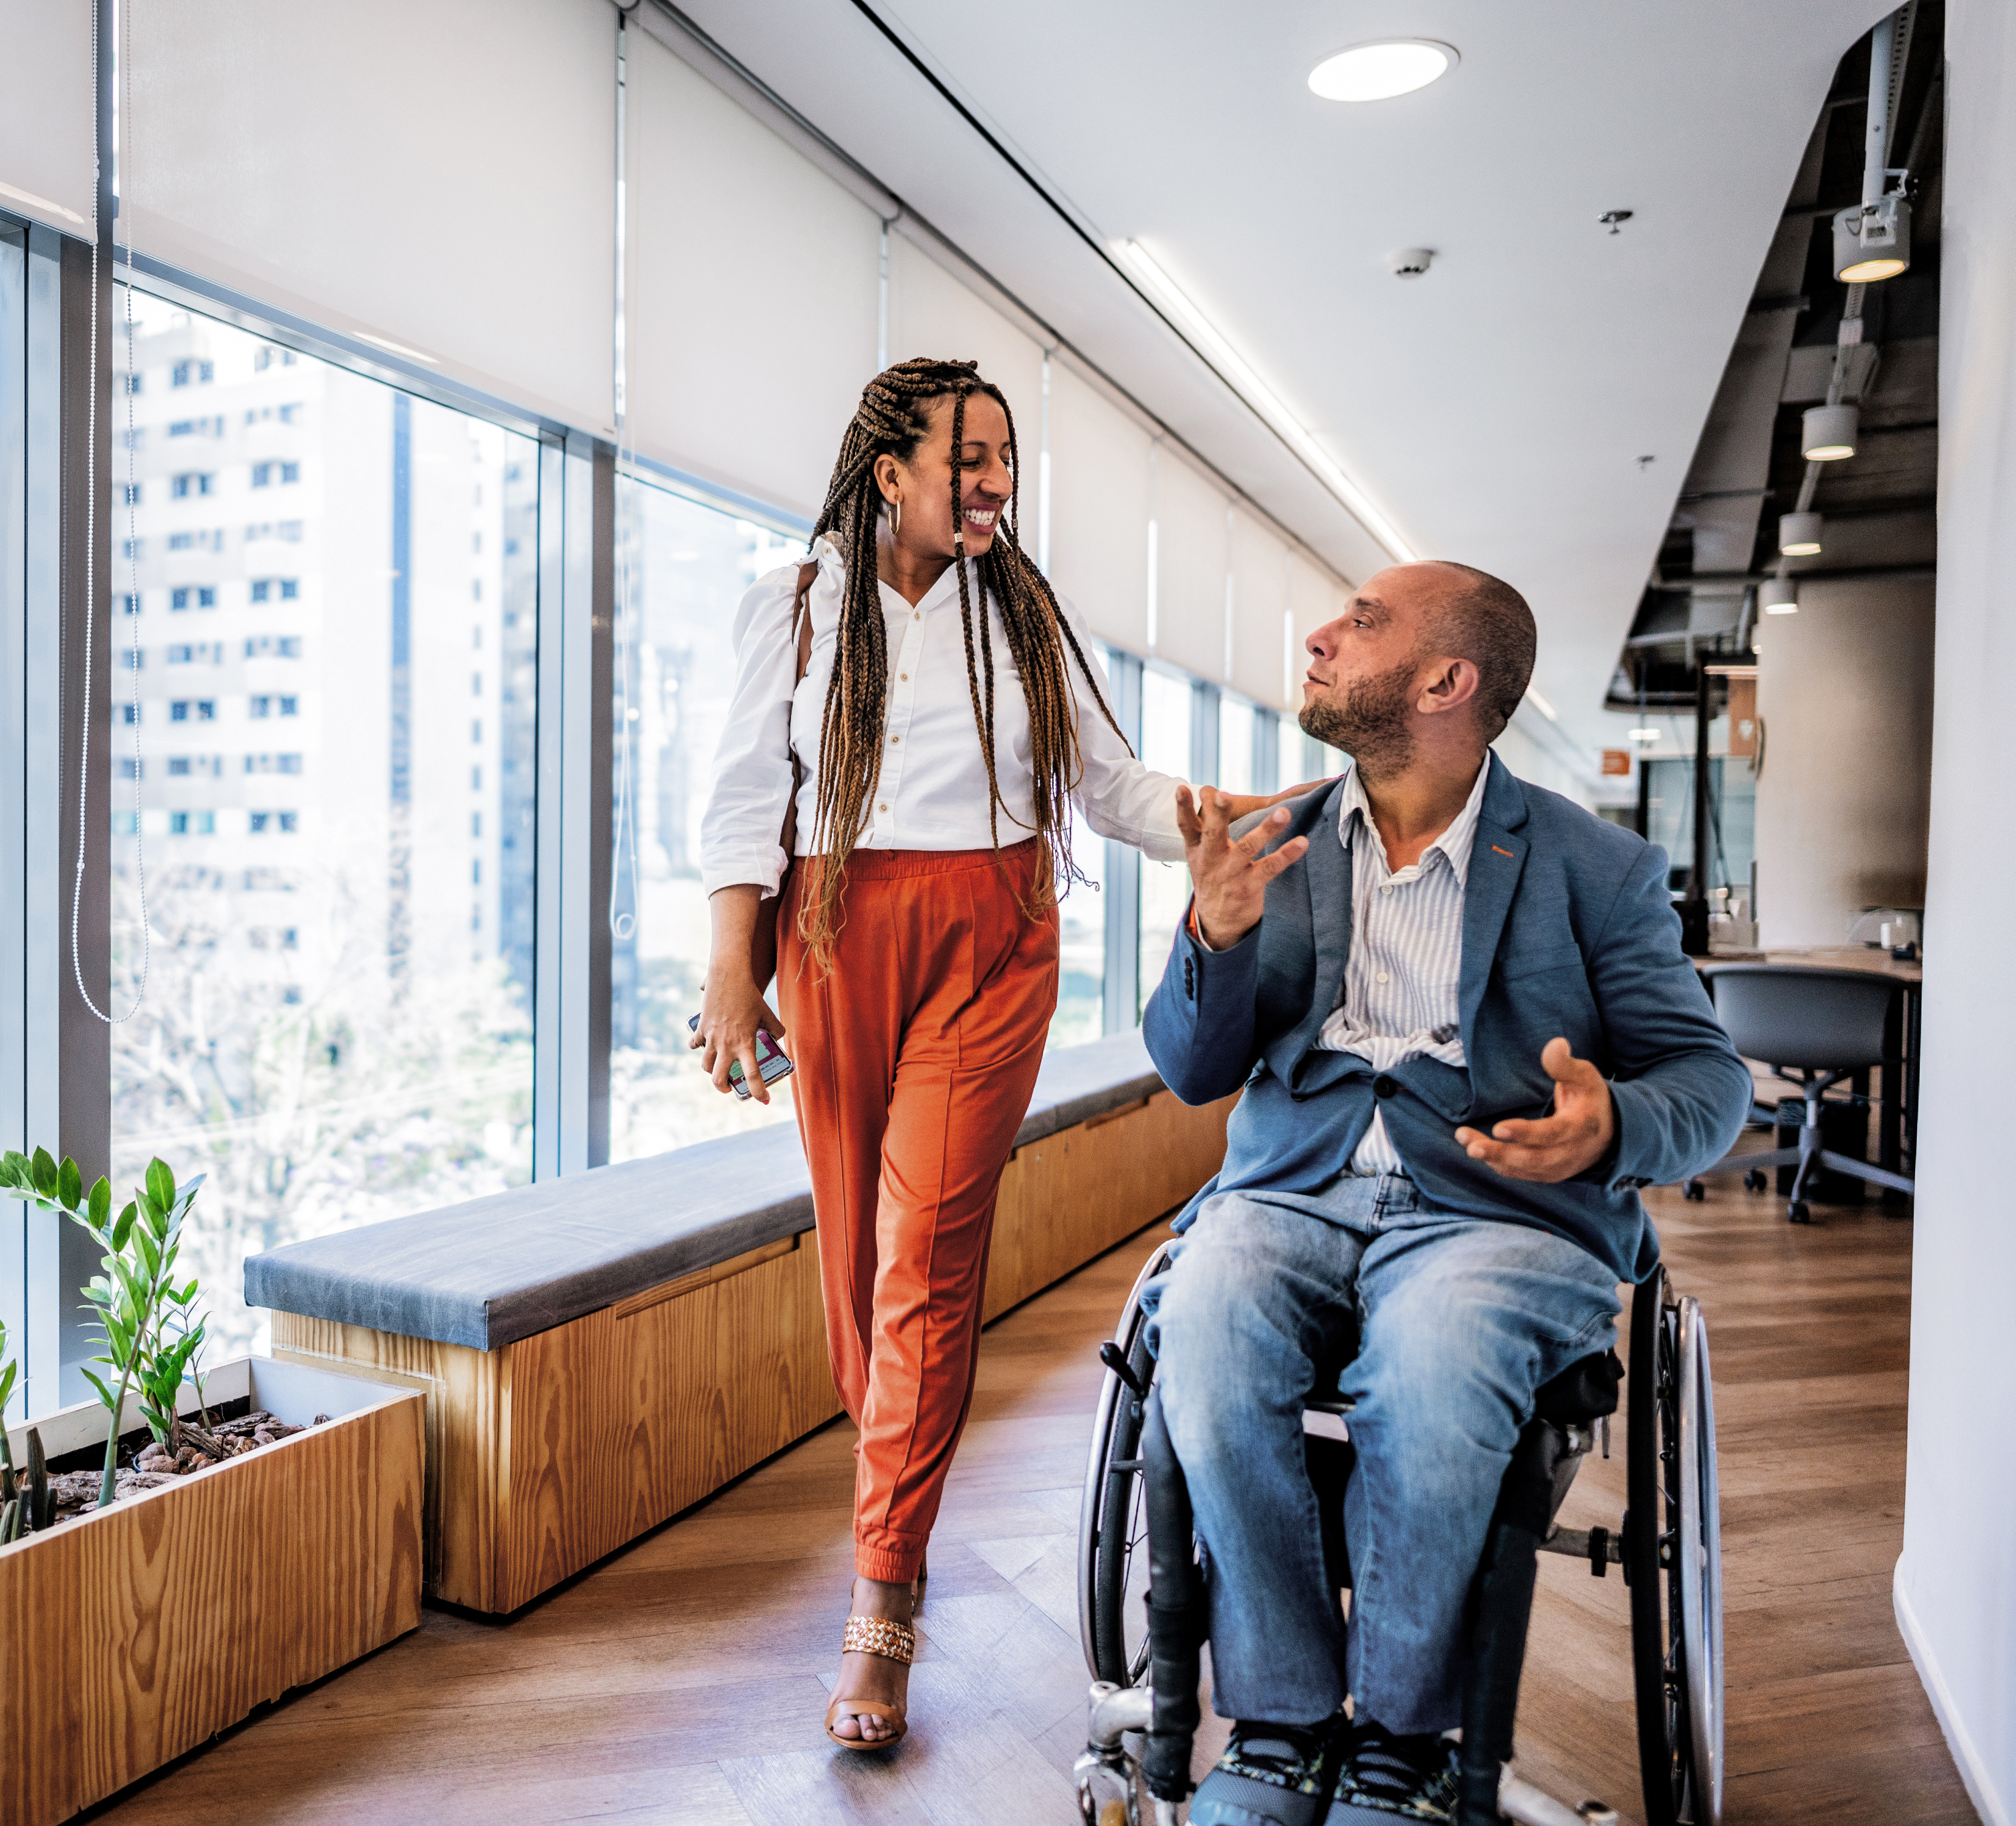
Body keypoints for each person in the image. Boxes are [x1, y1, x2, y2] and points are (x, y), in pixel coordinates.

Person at [697, 357, 1297, 1751]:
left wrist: (1238, 816)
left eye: (1004, 459)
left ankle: (881, 1602)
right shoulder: (791, 605)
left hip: (994, 935)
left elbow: (1106, 783)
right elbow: (743, 796)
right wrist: (731, 972)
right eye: (967, 456)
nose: (992, 481)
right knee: (858, 1271)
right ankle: (891, 1459)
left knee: (927, 1261)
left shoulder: (1022, 611)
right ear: (885, 469)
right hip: (832, 925)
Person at [1139, 561, 1752, 1824]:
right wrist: (1213, 940)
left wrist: (1610, 1126)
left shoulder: (1598, 869)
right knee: (1202, 1320)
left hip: (1494, 1213)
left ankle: (1404, 1745)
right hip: (1289, 1196)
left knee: (1432, 1358)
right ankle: (1281, 1727)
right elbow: (1194, 1072)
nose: (1318, 636)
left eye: (1363, 623)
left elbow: (1710, 1081)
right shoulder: (1275, 845)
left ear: (1445, 682)